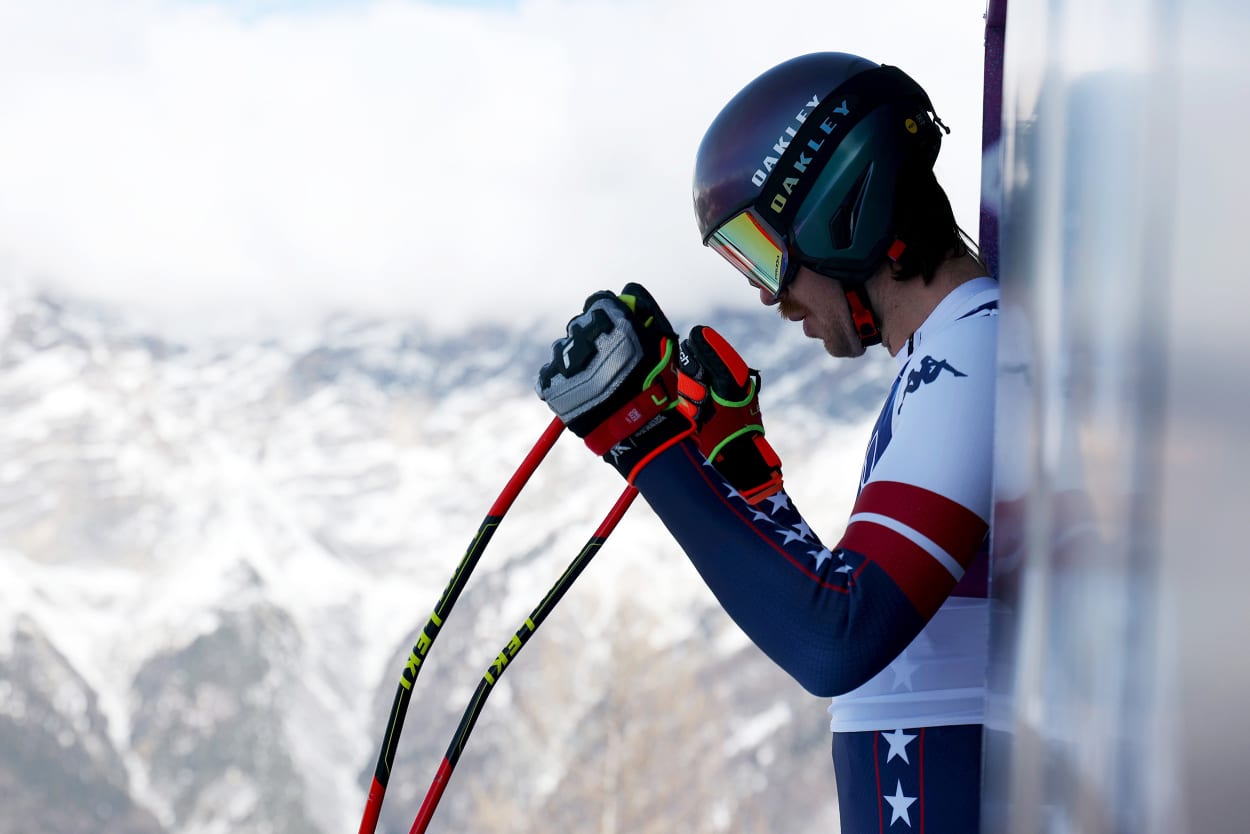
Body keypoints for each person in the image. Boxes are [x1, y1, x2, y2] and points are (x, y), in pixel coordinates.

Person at [535, 52, 996, 833]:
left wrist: (641, 439)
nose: (763, 291)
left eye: (760, 249)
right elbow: (867, 606)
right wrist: (745, 476)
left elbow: (839, 639)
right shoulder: (947, 359)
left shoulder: (974, 359)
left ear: (841, 212)